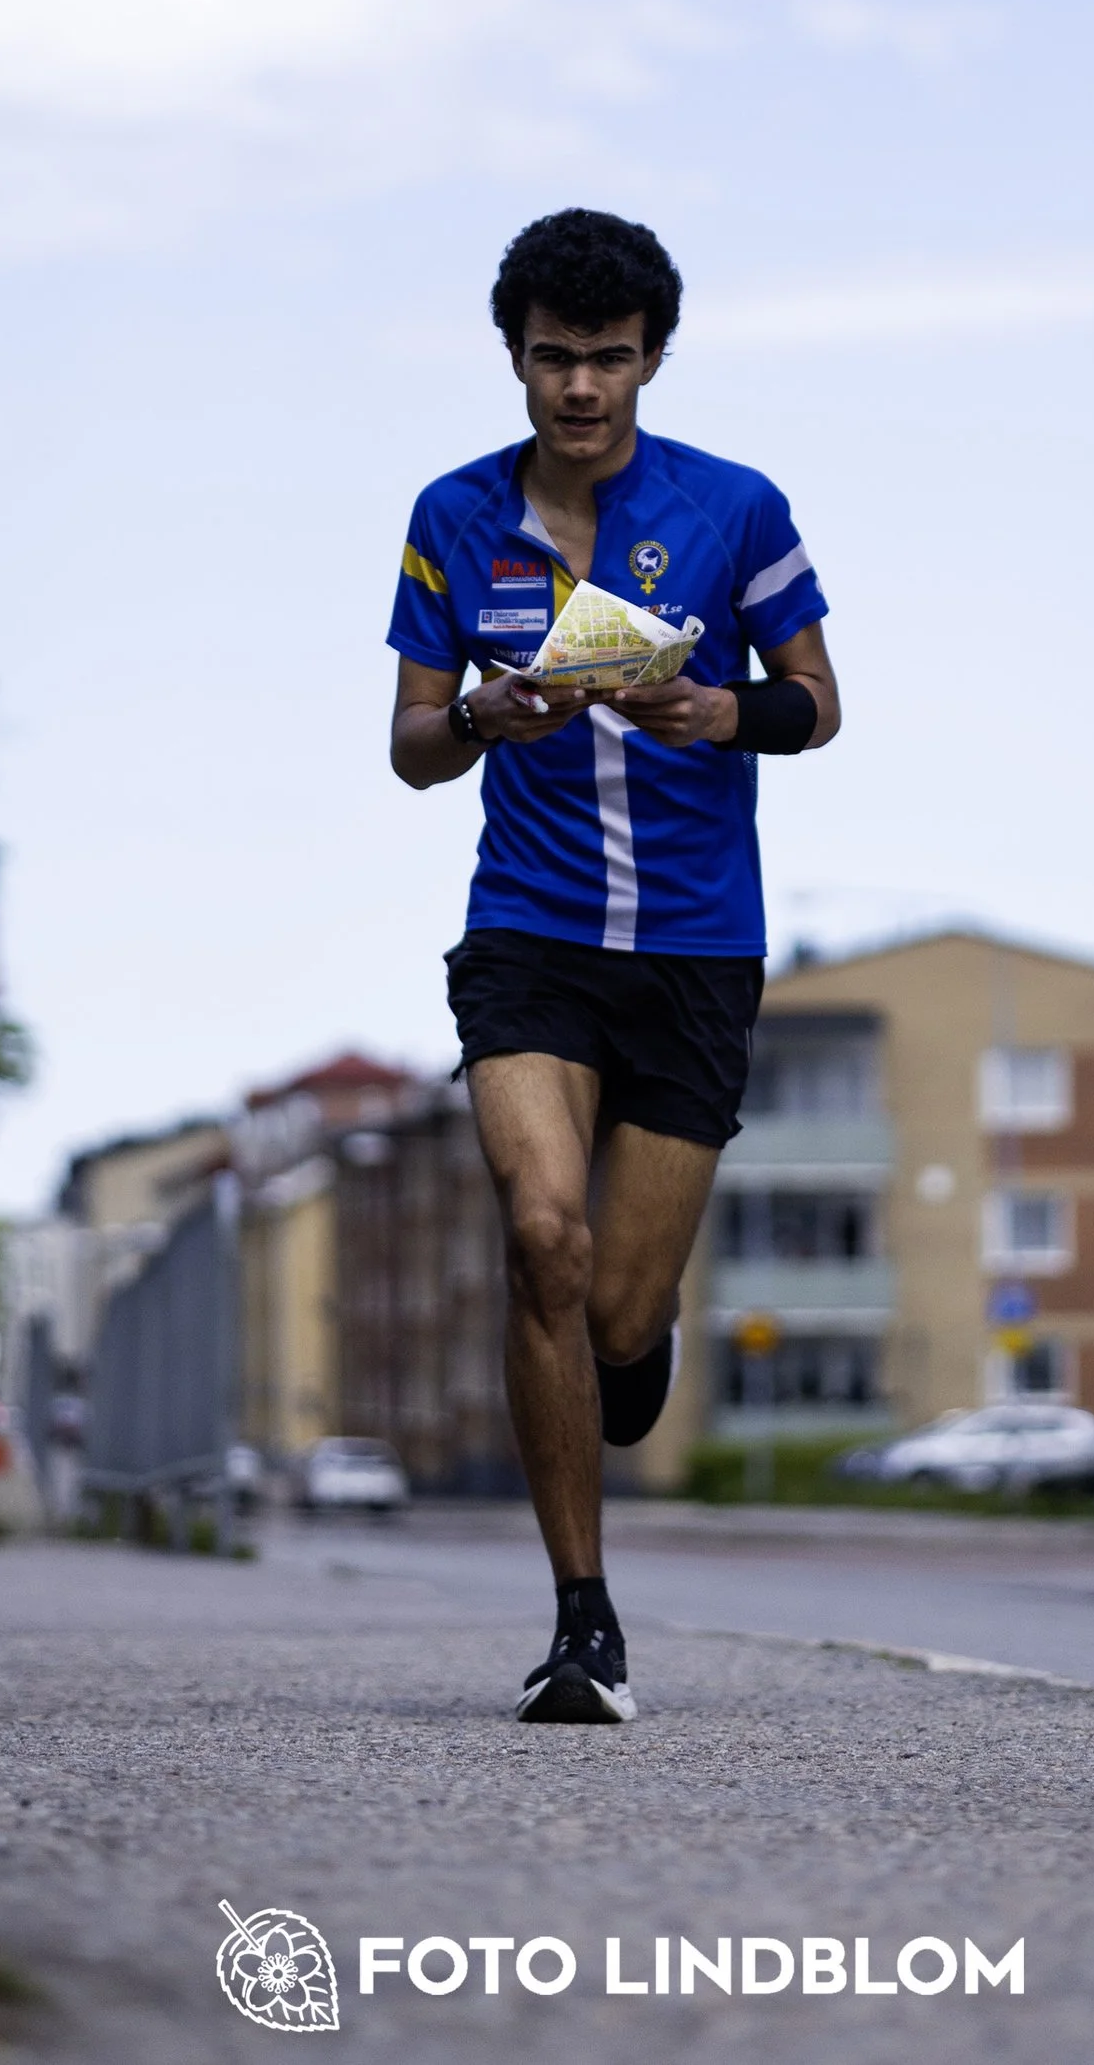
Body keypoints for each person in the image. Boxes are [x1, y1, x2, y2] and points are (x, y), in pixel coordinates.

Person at [388, 208, 840, 1723]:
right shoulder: (454, 517)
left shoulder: (733, 507)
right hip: (529, 936)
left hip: (700, 950)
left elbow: (818, 705)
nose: (581, 387)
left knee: (621, 1318)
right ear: (513, 358)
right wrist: (479, 720)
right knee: (542, 1240)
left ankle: (624, 1362)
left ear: (653, 358)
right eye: (554, 359)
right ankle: (584, 1623)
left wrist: (724, 713)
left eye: (609, 359)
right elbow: (407, 751)